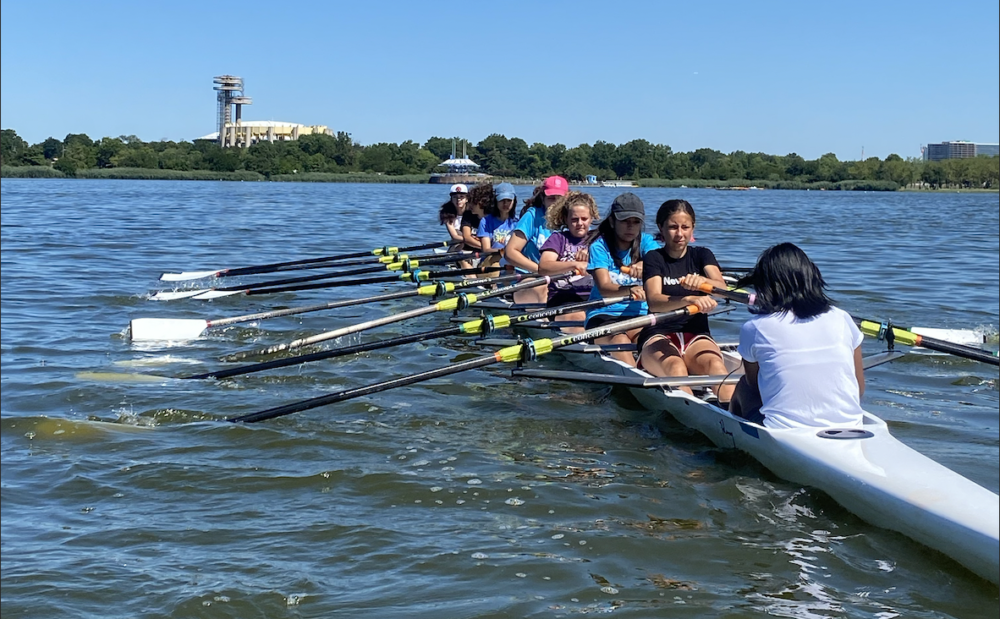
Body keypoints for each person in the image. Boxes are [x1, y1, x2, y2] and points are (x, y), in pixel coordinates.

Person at [721, 242, 865, 428]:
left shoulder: (755, 327)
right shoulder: (842, 317)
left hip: (784, 430)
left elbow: (754, 384)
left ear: (766, 285)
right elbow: (859, 388)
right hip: (850, 425)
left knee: (744, 386)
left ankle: (731, 431)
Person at [637, 199, 733, 402]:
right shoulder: (654, 258)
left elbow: (724, 290)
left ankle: (733, 414)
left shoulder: (702, 255)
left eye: (685, 227)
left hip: (696, 334)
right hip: (658, 334)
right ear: (661, 228)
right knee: (676, 367)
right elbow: (654, 301)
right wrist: (688, 299)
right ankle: (697, 413)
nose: (680, 234)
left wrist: (704, 282)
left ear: (692, 228)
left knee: (716, 367)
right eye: (673, 227)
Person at [584, 193, 660, 365]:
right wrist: (631, 290)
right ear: (612, 222)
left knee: (654, 343)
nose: (630, 227)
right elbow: (604, 287)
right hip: (604, 314)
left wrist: (645, 264)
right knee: (620, 341)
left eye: (636, 222)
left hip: (640, 315)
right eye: (625, 221)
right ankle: (636, 375)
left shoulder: (647, 242)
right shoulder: (599, 246)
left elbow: (660, 262)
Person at [537, 190, 598, 332]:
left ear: (591, 218)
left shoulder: (598, 240)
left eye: (584, 219)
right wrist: (574, 264)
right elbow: (544, 267)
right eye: (574, 219)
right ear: (566, 219)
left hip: (594, 298)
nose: (579, 224)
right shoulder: (558, 239)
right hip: (563, 298)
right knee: (580, 318)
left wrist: (591, 253)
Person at [505, 175, 569, 304]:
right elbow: (510, 252)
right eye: (551, 198)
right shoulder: (532, 216)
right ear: (543, 198)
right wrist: (541, 270)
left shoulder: (573, 220)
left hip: (564, 277)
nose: (555, 203)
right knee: (546, 290)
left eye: (560, 199)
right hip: (530, 276)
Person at [476, 182, 519, 272]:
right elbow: (486, 249)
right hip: (491, 260)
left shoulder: (518, 222)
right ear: (495, 201)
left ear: (514, 201)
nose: (505, 204)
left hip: (511, 260)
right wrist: (503, 251)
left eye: (508, 200)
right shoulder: (486, 221)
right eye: (502, 200)